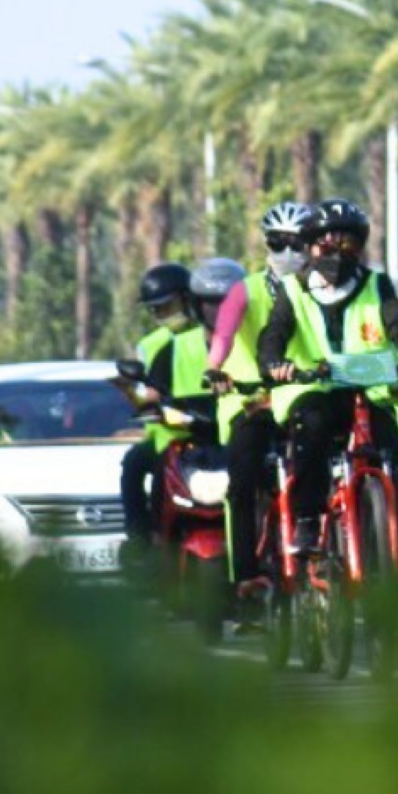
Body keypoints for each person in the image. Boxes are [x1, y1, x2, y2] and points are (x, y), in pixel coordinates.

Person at [255, 198, 398, 556]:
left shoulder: (376, 284)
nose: (337, 254)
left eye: (348, 245)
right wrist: (273, 363)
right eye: (327, 245)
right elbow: (273, 334)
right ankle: (308, 520)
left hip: (368, 394)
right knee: (311, 430)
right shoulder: (293, 290)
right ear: (310, 248)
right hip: (315, 392)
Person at [208, 201, 311, 596]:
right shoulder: (245, 290)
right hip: (249, 401)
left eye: (297, 243)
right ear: (266, 244)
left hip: (301, 395)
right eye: (278, 242)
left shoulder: (320, 289)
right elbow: (224, 334)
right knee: (243, 481)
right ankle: (245, 575)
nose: (288, 252)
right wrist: (214, 368)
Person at [118, 261, 203, 555]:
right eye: (154, 309)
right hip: (169, 436)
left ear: (188, 299)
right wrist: (131, 393)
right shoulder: (151, 345)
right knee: (133, 464)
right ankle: (141, 540)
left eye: (167, 306)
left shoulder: (215, 334)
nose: (161, 314)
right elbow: (149, 396)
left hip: (213, 430)